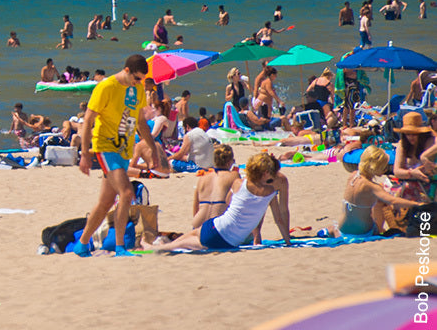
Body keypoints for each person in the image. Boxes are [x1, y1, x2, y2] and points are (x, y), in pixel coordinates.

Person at [73, 54, 154, 256]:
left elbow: (141, 122)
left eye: (142, 79)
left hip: (124, 150)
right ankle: (120, 247)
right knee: (127, 193)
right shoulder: (106, 87)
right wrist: (84, 153)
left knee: (105, 202)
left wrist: (154, 149)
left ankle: (82, 244)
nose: (139, 82)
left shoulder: (137, 89)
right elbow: (88, 120)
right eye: (136, 78)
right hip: (105, 147)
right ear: (126, 71)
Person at [155, 152, 291, 252]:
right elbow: (278, 219)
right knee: (181, 244)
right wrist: (287, 242)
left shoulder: (238, 183)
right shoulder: (271, 194)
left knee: (183, 241)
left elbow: (227, 201)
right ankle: (158, 247)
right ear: (266, 173)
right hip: (227, 239)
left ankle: (157, 246)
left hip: (216, 228)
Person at [341, 146, 423, 236]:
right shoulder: (372, 187)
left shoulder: (353, 176)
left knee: (379, 200)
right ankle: (380, 229)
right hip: (363, 231)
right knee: (384, 203)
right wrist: (418, 205)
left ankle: (381, 228)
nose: (385, 170)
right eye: (384, 167)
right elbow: (393, 201)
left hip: (342, 228)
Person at [189, 145, 238, 228]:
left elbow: (195, 207)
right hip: (217, 224)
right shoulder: (234, 176)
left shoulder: (202, 178)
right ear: (229, 162)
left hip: (198, 222)